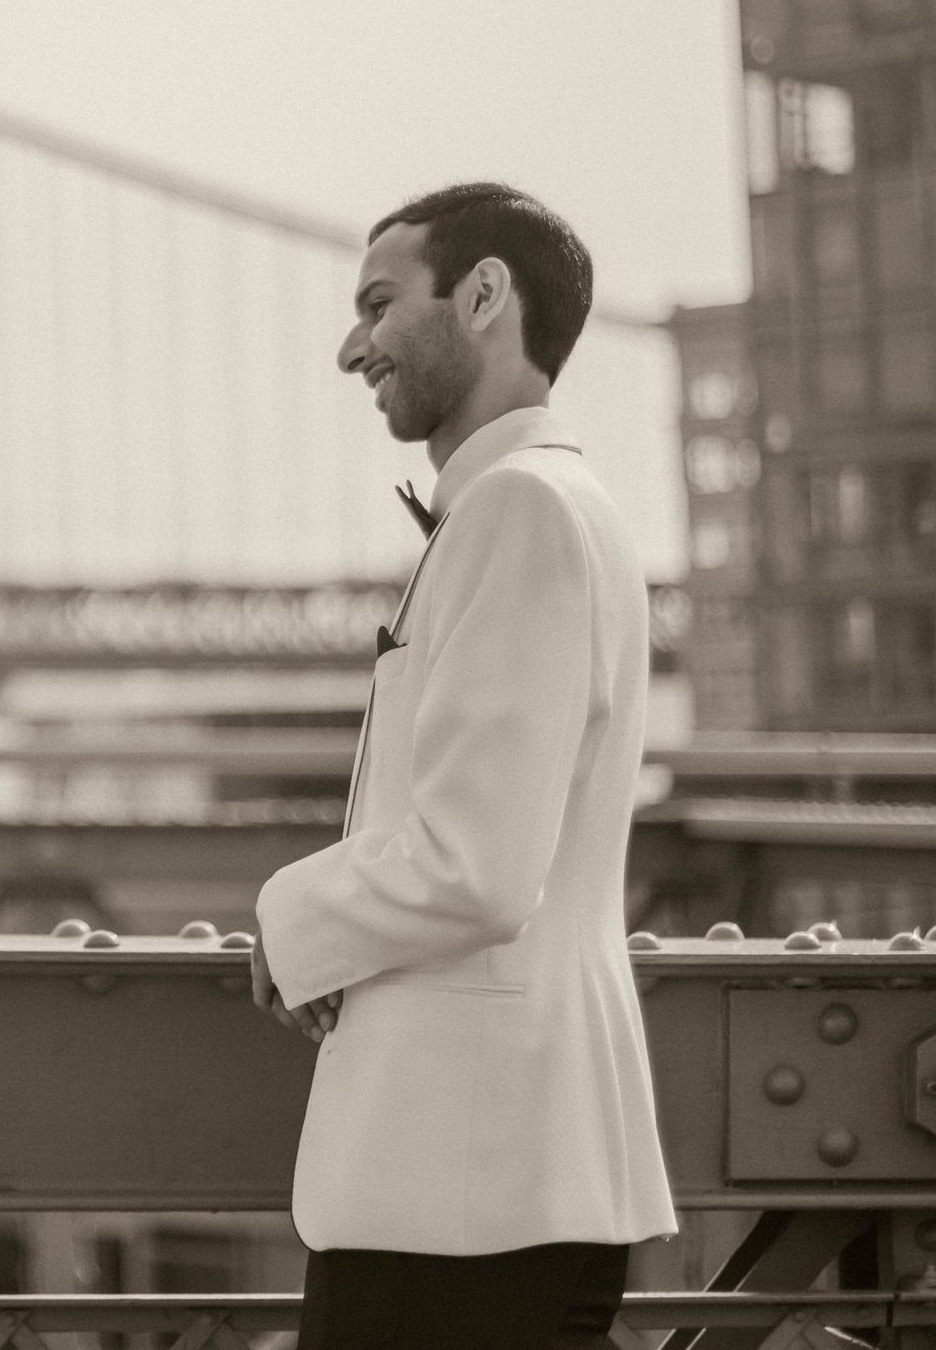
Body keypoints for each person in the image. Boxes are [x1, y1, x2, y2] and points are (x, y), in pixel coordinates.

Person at [248, 185, 674, 1350]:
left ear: (483, 295)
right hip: (487, 1182)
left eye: (380, 304)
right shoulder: (551, 504)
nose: (352, 347)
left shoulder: (518, 511)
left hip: (463, 1198)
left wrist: (289, 915)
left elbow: (478, 869)